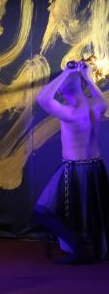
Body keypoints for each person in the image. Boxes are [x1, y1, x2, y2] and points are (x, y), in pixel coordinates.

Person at [34, 59, 109, 264]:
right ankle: (89, 250)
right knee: (92, 211)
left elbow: (43, 98)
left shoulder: (70, 112)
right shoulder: (96, 105)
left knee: (44, 210)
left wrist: (65, 73)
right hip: (95, 166)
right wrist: (87, 77)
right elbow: (100, 99)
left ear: (62, 88)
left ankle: (78, 251)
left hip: (75, 169)